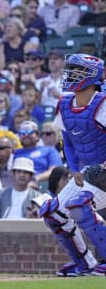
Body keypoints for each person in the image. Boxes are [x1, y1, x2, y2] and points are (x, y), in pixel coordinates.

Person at [40, 54, 106, 277]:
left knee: (80, 205)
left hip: (104, 171)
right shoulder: (65, 103)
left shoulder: (103, 102)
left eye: (77, 71)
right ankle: (85, 264)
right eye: (70, 70)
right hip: (86, 171)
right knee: (52, 212)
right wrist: (74, 169)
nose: (70, 74)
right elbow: (67, 141)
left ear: (92, 76)